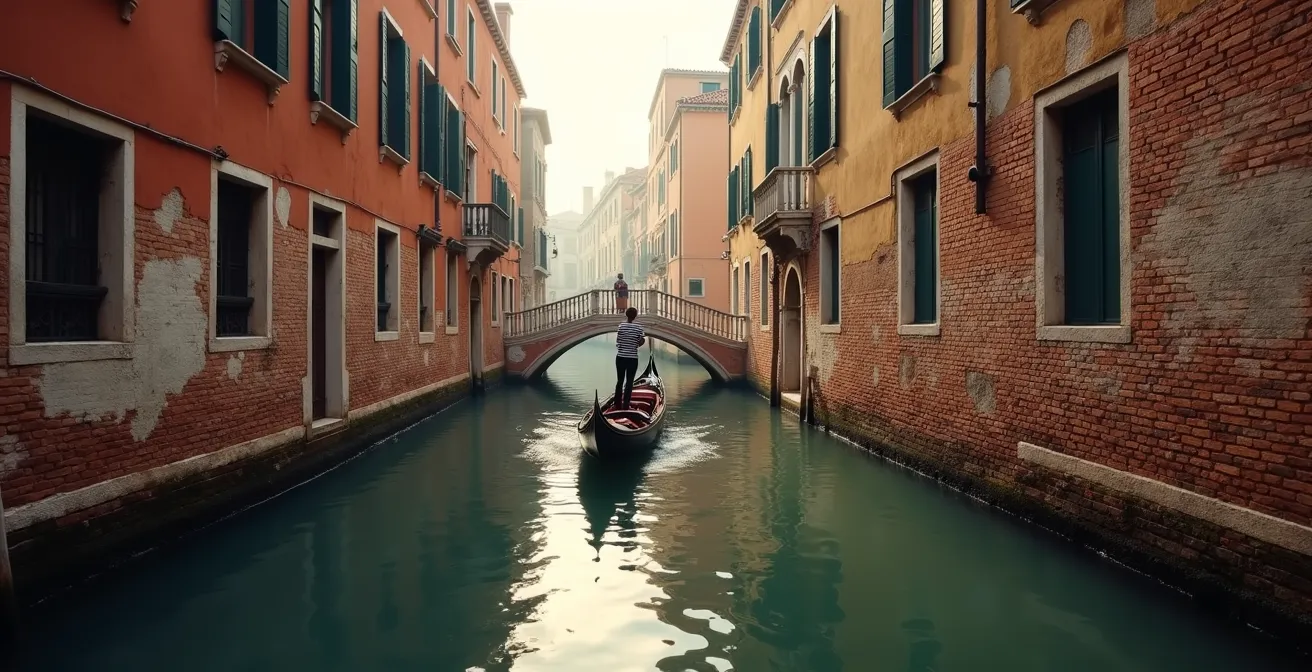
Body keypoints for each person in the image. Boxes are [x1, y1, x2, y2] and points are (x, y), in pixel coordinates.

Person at [614, 306, 645, 409]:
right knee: (629, 382)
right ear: (635, 316)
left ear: (626, 315)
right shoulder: (639, 328)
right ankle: (626, 405)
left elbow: (618, 341)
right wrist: (636, 344)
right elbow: (641, 341)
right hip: (632, 358)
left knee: (620, 381)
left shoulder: (621, 326)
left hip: (620, 357)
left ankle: (617, 404)